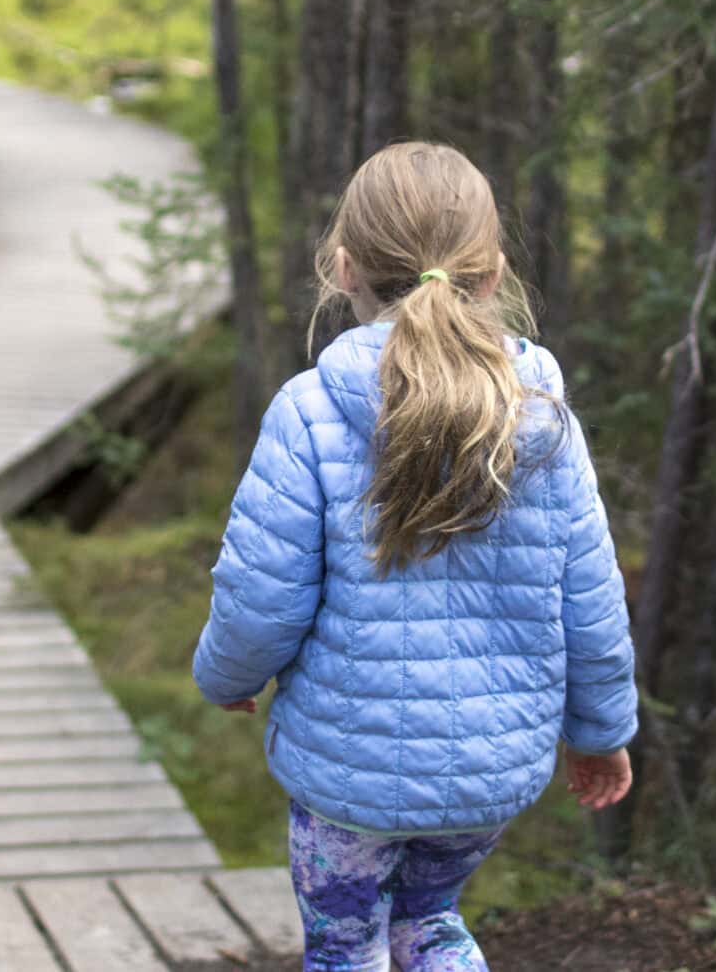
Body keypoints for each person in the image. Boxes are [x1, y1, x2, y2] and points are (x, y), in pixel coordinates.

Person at [193, 140, 637, 971]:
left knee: (345, 943)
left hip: (346, 780)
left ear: (345, 266)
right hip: (488, 773)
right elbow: (592, 602)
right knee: (430, 923)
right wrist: (601, 730)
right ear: (493, 273)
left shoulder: (310, 412)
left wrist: (227, 677)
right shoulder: (542, 415)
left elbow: (261, 593)